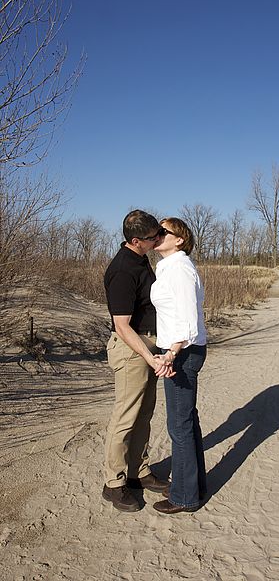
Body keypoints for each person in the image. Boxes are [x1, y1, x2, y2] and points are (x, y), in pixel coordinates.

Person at [102, 209, 172, 512]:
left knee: (144, 415)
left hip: (149, 346)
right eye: (152, 237)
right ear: (135, 240)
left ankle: (137, 472)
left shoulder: (141, 258)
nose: (157, 239)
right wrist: (149, 356)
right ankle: (113, 483)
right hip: (132, 349)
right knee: (125, 418)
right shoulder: (122, 270)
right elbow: (121, 325)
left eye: (158, 233)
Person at [150, 217, 208, 514]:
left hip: (181, 352)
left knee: (179, 425)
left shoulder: (181, 269)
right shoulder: (169, 267)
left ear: (179, 239)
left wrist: (170, 354)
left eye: (163, 232)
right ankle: (196, 487)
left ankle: (184, 497)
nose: (156, 235)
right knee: (186, 421)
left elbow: (187, 320)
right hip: (180, 349)